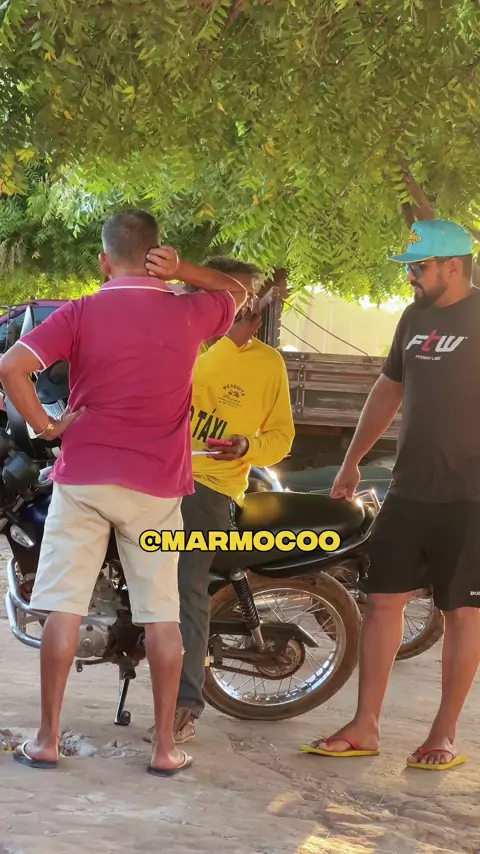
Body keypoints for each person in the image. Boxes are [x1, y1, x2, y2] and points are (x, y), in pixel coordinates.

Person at [0, 210, 247, 776]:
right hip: (156, 487)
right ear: (157, 255)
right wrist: (185, 270)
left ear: (103, 260)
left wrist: (47, 427)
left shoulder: (79, 312)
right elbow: (236, 292)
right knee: (162, 617)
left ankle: (47, 741)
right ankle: (164, 749)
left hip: (84, 477)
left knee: (63, 609)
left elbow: (11, 367)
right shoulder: (188, 310)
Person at [300, 218, 480, 771]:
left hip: (471, 497)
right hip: (409, 488)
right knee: (381, 603)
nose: (410, 277)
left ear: (454, 266)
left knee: (463, 613)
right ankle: (365, 726)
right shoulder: (414, 318)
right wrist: (352, 460)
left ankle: (443, 733)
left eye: (418, 267)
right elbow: (389, 389)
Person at [143, 256, 295, 745]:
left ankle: (185, 704)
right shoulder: (177, 340)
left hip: (209, 486)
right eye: (233, 294)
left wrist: (247, 446)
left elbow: (281, 438)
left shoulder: (266, 363)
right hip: (150, 476)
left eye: (249, 297)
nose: (244, 305)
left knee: (186, 585)